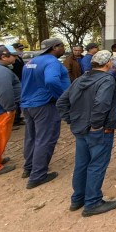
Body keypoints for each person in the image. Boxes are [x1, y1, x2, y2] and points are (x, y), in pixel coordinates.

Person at [56, 50, 116, 217]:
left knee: (82, 164)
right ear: (108, 63)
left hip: (81, 129)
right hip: (98, 130)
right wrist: (96, 126)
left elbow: (62, 102)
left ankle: (78, 198)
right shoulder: (107, 80)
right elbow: (101, 104)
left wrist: (73, 120)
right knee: (97, 165)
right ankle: (92, 202)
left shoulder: (81, 79)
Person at [20, 38, 70, 188]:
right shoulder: (52, 62)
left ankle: (29, 168)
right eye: (62, 46)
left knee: (32, 137)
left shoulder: (31, 62)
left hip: (28, 105)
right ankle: (38, 176)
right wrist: (61, 97)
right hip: (44, 105)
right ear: (55, 47)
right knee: (45, 139)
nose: (64, 49)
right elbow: (51, 81)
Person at [0, 45, 20, 175]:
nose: (15, 58)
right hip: (1, 110)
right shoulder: (1, 71)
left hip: (1, 109)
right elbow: (4, 92)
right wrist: (10, 108)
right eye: (13, 55)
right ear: (4, 57)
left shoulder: (1, 70)